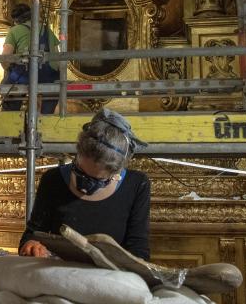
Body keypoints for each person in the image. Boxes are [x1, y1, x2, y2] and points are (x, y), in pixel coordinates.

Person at [19, 109, 151, 260]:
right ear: (77, 154)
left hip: (109, 279)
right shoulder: (53, 179)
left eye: (98, 181)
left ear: (116, 173)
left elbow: (139, 251)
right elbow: (32, 233)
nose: (85, 185)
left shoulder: (137, 185)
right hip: (61, 276)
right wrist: (31, 245)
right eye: (80, 172)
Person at [1, 3, 61, 114]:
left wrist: (9, 70)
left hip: (25, 75)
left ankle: (10, 116)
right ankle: (45, 117)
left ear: (15, 20)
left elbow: (5, 58)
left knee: (8, 85)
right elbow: (57, 58)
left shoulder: (15, 30)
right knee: (51, 94)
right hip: (49, 76)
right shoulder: (47, 30)